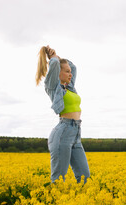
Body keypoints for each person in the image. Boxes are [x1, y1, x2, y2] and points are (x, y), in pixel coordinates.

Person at [35, 45, 90, 184]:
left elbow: (74, 67)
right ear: (58, 72)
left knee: (84, 177)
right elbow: (54, 66)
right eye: (67, 72)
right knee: (59, 179)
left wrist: (58, 56)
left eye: (70, 72)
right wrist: (53, 59)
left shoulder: (70, 87)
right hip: (63, 133)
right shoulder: (53, 87)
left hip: (76, 133)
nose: (71, 74)